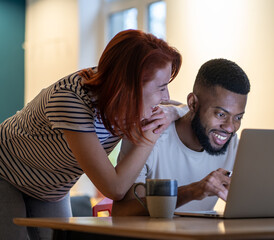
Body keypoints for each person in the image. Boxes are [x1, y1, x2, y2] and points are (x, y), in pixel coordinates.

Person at [0, 29, 183, 240]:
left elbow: (186, 107)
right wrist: (150, 136)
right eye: (161, 88)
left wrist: (174, 111)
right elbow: (114, 188)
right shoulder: (71, 100)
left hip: (52, 189)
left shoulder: (126, 99)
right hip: (6, 171)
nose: (166, 96)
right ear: (129, 86)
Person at [112, 58, 250, 216]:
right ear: (192, 104)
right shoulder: (150, 131)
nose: (230, 127)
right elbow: (123, 211)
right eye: (220, 114)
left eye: (238, 117)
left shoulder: (231, 143)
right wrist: (193, 191)